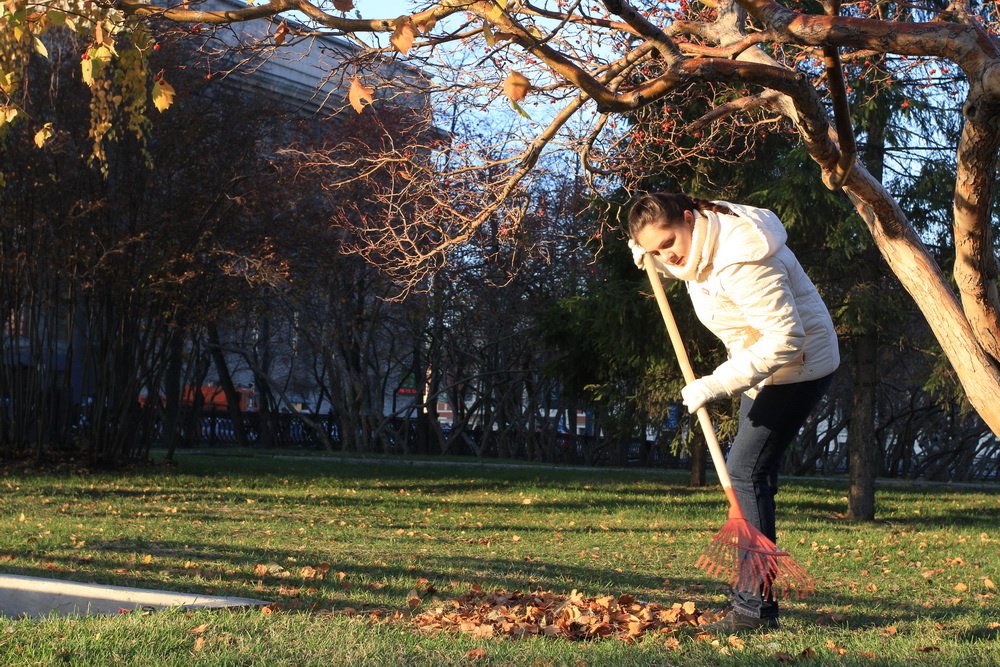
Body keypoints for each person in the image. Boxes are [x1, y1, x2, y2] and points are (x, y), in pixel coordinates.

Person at [626, 193, 839, 632]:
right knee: (753, 478)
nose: (668, 255)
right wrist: (654, 258)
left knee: (744, 473)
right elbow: (690, 262)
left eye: (669, 242)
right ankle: (753, 604)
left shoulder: (743, 258)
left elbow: (784, 339)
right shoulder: (703, 240)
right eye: (655, 250)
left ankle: (752, 612)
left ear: (690, 218)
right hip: (762, 370)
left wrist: (716, 383)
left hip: (796, 368)